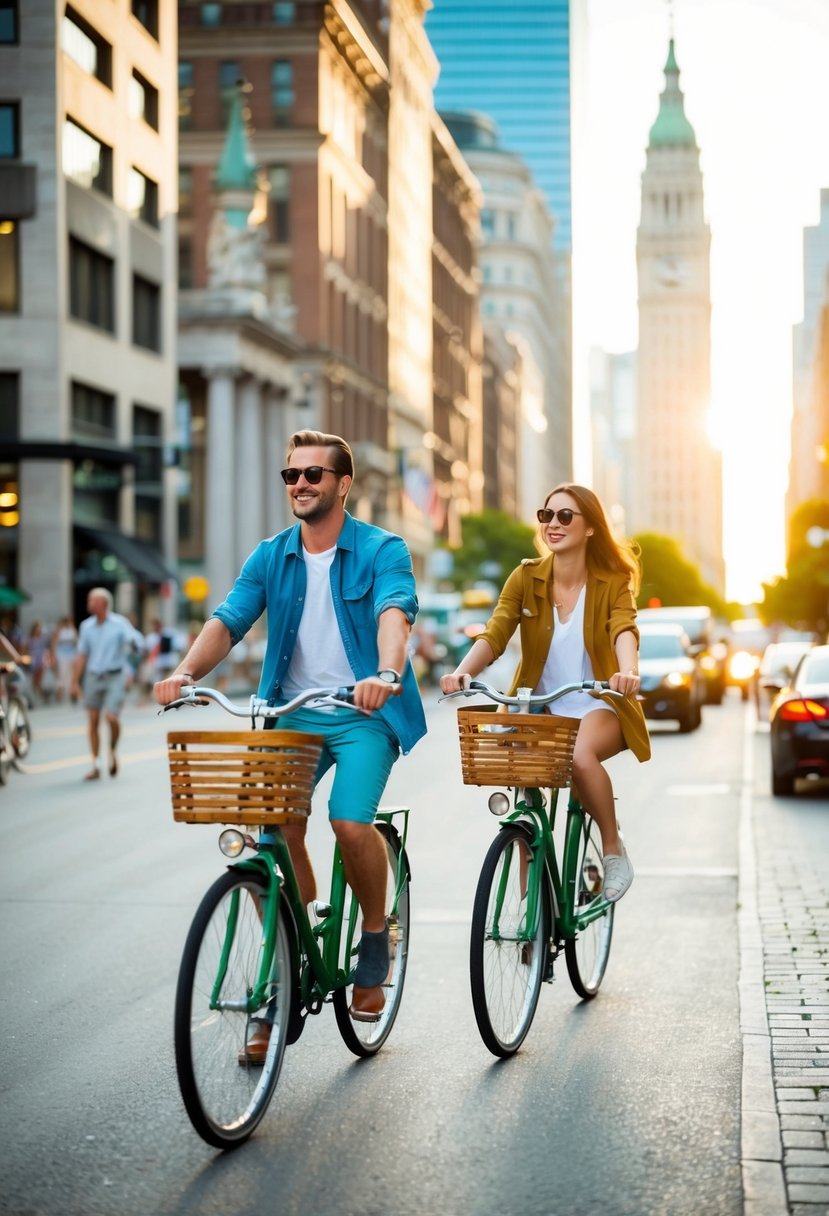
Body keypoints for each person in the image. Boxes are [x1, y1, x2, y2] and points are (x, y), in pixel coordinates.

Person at [154, 430, 427, 1038]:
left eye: (313, 475)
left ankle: (376, 935)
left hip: (364, 714)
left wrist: (385, 673)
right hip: (294, 712)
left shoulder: (384, 549)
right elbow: (228, 621)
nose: (300, 484)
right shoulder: (271, 555)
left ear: (342, 484)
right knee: (270, 833)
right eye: (291, 476)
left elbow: (394, 612)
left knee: (350, 821)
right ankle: (290, 947)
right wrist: (182, 674)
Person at [440, 483, 650, 904]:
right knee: (525, 801)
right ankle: (532, 917)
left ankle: (613, 850)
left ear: (590, 527)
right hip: (540, 708)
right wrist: (461, 672)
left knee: (577, 755)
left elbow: (623, 628)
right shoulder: (527, 576)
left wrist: (627, 672)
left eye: (565, 516)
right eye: (547, 515)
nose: (553, 524)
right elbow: (496, 632)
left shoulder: (613, 581)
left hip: (599, 703)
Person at [71, 588, 144, 780]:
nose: (88, 603)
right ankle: (96, 764)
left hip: (115, 675)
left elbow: (135, 643)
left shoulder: (119, 624)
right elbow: (81, 655)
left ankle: (112, 751)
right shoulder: (86, 627)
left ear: (103, 603)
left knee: (111, 718)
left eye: (92, 600)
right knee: (93, 720)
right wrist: (74, 682)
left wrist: (132, 664)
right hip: (93, 676)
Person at [52, 616, 79, 702]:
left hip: (71, 655)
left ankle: (69, 693)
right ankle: (61, 692)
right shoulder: (60, 631)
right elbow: (55, 643)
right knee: (62, 673)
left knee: (70, 674)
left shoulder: (72, 630)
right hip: (62, 655)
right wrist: (54, 655)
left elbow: (76, 641)